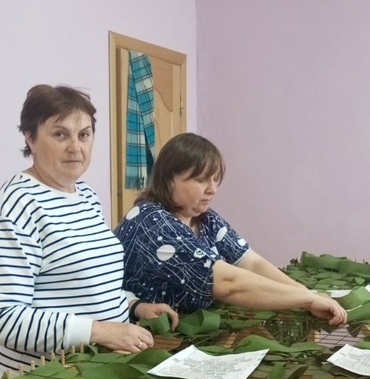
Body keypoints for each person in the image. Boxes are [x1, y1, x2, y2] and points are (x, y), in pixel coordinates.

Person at [0, 85, 178, 378]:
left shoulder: (85, 196)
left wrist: (134, 306)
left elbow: (88, 283)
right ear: (30, 138)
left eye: (84, 135)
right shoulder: (14, 207)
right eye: (60, 134)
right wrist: (100, 331)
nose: (75, 147)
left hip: (95, 372)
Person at [115, 133, 348, 326]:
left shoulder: (203, 217)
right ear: (169, 180)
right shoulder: (153, 222)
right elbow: (228, 284)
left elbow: (250, 262)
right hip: (142, 333)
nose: (212, 189)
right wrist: (306, 300)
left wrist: (307, 293)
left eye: (215, 179)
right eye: (201, 180)